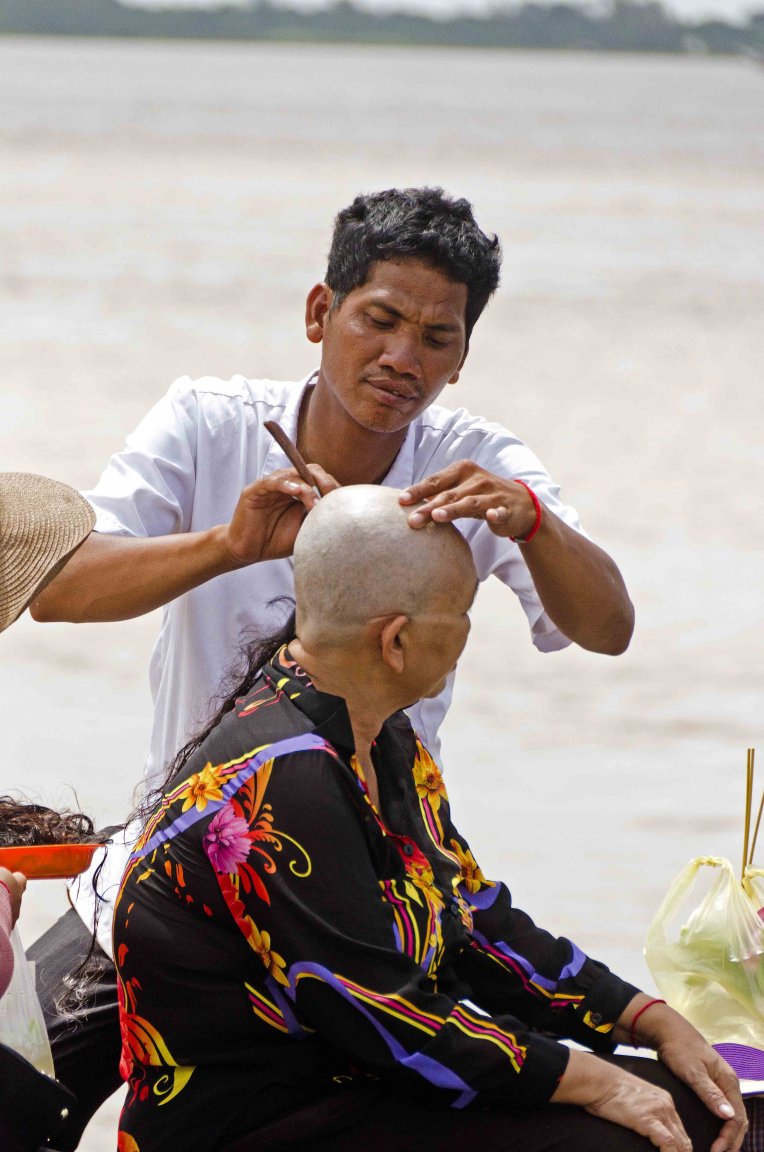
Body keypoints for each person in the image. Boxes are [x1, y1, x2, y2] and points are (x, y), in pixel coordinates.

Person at [30, 186, 635, 1145]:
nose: (405, 358)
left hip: (362, 895)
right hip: (181, 890)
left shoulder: (474, 464)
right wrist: (228, 545)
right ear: (321, 312)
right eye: (381, 320)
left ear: (464, 354)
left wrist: (535, 521)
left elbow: (608, 629)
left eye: (439, 337)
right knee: (14, 1090)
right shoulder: (207, 423)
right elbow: (53, 586)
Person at [113, 486, 744, 1152]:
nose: (469, 633)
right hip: (263, 1116)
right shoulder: (282, 776)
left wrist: (643, 1018)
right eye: (462, 611)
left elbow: (470, 915)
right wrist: (596, 1080)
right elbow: (381, 1014)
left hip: (361, 1082)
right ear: (396, 639)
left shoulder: (380, 736)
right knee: (640, 1138)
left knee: (706, 1106)